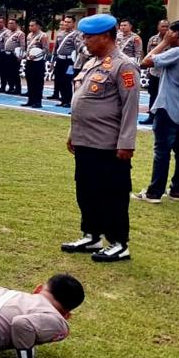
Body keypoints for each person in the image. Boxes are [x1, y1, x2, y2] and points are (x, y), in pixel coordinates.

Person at [59, 14, 139, 263]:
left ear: (106, 36)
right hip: (85, 140)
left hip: (108, 144)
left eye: (89, 37)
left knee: (112, 194)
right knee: (86, 190)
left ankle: (119, 243)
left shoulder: (123, 66)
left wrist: (126, 143)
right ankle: (92, 235)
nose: (85, 41)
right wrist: (73, 133)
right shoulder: (92, 62)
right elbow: (82, 100)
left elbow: (130, 107)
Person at [134, 20, 179, 203]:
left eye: (170, 31)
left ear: (176, 34)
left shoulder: (177, 52)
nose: (166, 34)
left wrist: (163, 43)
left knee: (162, 151)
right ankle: (177, 190)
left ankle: (154, 192)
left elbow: (145, 62)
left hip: (170, 107)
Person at [139, 19, 171, 125]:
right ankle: (151, 116)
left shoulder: (172, 40)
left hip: (166, 73)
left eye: (167, 26)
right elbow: (149, 53)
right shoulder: (153, 39)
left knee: (166, 96)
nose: (165, 28)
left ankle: (163, 118)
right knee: (153, 95)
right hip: (154, 72)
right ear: (158, 27)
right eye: (163, 26)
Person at [51, 15, 81, 107]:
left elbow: (78, 49)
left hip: (70, 61)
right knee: (59, 80)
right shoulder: (60, 34)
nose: (66, 24)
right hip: (60, 60)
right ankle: (63, 100)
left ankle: (68, 101)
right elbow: (55, 48)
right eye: (65, 22)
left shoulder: (76, 34)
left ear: (73, 23)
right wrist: (52, 60)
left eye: (69, 22)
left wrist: (76, 62)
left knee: (67, 80)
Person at [23, 20, 50, 108]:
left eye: (32, 26)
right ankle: (30, 100)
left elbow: (46, 49)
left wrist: (36, 55)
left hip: (38, 62)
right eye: (29, 25)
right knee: (30, 80)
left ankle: (38, 101)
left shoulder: (43, 36)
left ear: (38, 26)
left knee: (37, 82)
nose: (30, 27)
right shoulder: (29, 35)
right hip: (29, 60)